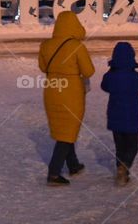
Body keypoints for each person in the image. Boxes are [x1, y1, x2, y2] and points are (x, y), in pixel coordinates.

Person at [38, 10, 95, 186]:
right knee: (67, 131)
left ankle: (73, 164)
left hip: (52, 89)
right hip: (71, 92)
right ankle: (54, 173)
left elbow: (42, 67)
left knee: (63, 128)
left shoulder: (46, 45)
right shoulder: (76, 46)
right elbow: (88, 71)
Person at [101, 42, 138, 185]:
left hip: (115, 117)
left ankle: (121, 170)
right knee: (133, 146)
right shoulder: (136, 77)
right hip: (131, 118)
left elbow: (104, 86)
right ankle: (124, 167)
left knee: (120, 147)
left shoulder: (110, 76)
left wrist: (111, 69)